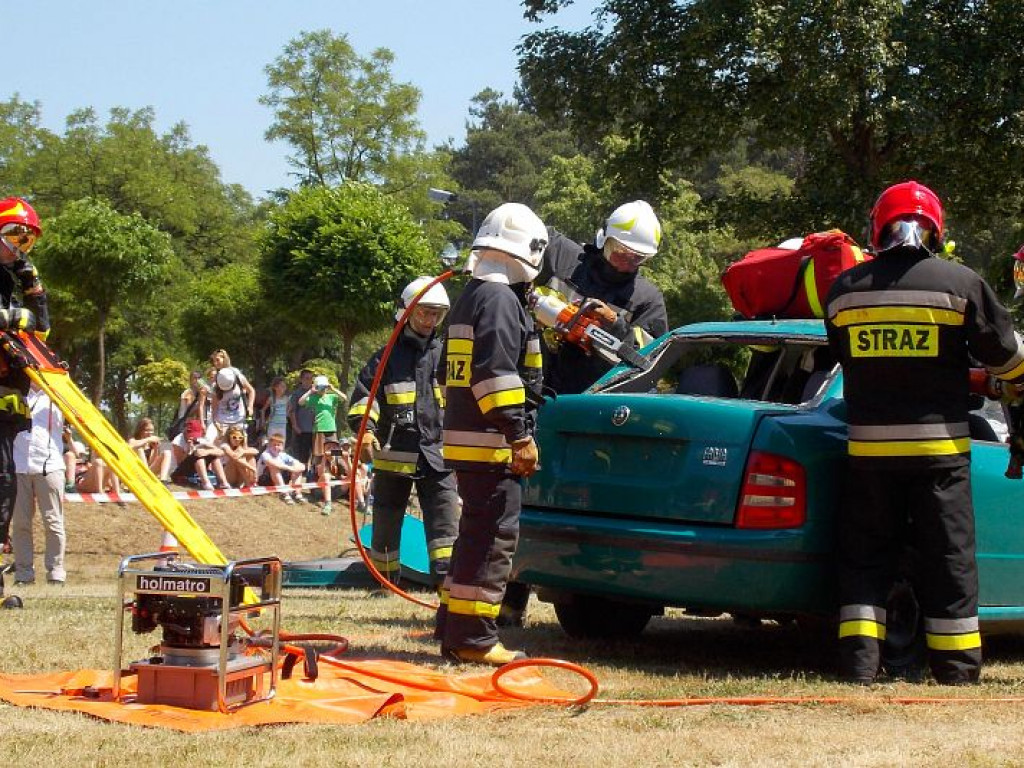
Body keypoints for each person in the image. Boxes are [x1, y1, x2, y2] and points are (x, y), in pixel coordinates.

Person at [825, 180, 1024, 685]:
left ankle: (859, 669)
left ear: (878, 229)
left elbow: (850, 358)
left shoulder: (844, 291)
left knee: (866, 560)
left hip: (868, 451)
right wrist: (1010, 384)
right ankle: (955, 672)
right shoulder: (959, 283)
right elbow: (1005, 356)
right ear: (935, 229)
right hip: (940, 453)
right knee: (948, 560)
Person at [436, 203, 546, 666]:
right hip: (493, 441)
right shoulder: (500, 301)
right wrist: (518, 435)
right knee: (494, 538)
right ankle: (475, 638)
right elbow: (495, 375)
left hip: (469, 438)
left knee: (475, 535)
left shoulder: (473, 295)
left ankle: (454, 626)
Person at [347, 276, 459, 587]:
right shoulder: (385, 358)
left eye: (436, 314)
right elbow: (363, 398)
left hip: (438, 456)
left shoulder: (448, 355)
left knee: (445, 526)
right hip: (394, 456)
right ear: (406, 313)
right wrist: (366, 430)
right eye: (424, 312)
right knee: (386, 523)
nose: (430, 320)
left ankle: (446, 585)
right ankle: (385, 582)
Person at [536, 200, 668, 395]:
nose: (626, 264)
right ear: (604, 240)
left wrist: (615, 324)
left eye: (637, 258)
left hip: (596, 401)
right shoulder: (561, 257)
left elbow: (652, 360)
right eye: (621, 253)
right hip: (537, 385)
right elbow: (524, 232)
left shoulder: (647, 300)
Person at [0, 197, 48, 556]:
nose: (20, 248)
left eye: (26, 242)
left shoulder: (12, 279)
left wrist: (34, 289)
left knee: (4, 479)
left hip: (6, 394)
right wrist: (10, 316)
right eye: (15, 237)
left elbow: (41, 332)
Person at [10, 383, 66, 585]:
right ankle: (24, 574)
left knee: (53, 521)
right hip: (19, 464)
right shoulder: (15, 390)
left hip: (50, 464)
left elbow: (77, 417)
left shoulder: (58, 392)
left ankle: (56, 573)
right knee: (20, 523)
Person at [298, 375, 346, 515]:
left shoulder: (331, 397)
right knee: (319, 457)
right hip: (318, 431)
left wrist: (333, 388)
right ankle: (321, 478)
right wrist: (311, 391)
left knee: (335, 456)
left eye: (324, 387)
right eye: (321, 387)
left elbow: (344, 398)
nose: (323, 389)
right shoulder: (314, 398)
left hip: (331, 431)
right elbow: (301, 402)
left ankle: (334, 477)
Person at [170, 419, 228, 491]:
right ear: (186, 431)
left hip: (196, 467)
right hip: (181, 471)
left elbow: (221, 452)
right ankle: (206, 483)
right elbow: (179, 462)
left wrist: (207, 452)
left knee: (214, 456)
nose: (193, 437)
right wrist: (188, 451)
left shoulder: (200, 439)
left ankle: (223, 482)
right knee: (198, 456)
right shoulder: (178, 441)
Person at [256, 431, 306, 505]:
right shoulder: (265, 454)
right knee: (274, 467)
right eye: (274, 445)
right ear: (269, 445)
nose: (276, 447)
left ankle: (297, 493)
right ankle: (285, 494)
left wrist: (297, 468)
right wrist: (291, 469)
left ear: (282, 446)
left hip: (279, 479)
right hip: (264, 480)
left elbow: (302, 466)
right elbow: (275, 464)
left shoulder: (283, 455)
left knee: (297, 468)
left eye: (278, 445)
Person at [128, 417, 172, 483]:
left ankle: (163, 480)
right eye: (147, 430)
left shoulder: (151, 444)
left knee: (167, 452)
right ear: (140, 430)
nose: (150, 433)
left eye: (152, 430)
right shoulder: (133, 440)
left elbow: (149, 464)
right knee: (140, 449)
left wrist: (155, 449)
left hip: (148, 472)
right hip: (136, 473)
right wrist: (148, 440)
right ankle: (146, 478)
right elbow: (130, 445)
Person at [216, 424, 260, 490]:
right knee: (236, 457)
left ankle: (250, 482)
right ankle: (248, 483)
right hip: (228, 475)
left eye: (240, 438)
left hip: (238, 476)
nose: (237, 440)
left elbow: (256, 451)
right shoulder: (225, 445)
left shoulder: (240, 447)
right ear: (229, 437)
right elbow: (234, 457)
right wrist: (252, 469)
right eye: (234, 437)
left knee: (250, 457)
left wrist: (244, 445)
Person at [287, 369, 315, 469]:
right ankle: (300, 474)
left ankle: (310, 474)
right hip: (302, 429)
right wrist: (295, 426)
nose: (309, 381)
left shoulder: (315, 393)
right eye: (307, 378)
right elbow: (291, 411)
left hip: (315, 429)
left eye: (311, 379)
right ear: (301, 379)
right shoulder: (296, 394)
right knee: (302, 455)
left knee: (315, 454)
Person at [261, 376, 290, 449]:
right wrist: (263, 421)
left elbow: (289, 408)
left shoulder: (286, 399)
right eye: (281, 386)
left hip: (282, 426)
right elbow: (263, 410)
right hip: (273, 425)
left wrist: (287, 414)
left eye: (284, 386)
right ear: (275, 387)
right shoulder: (271, 399)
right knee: (270, 445)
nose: (283, 388)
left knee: (281, 445)